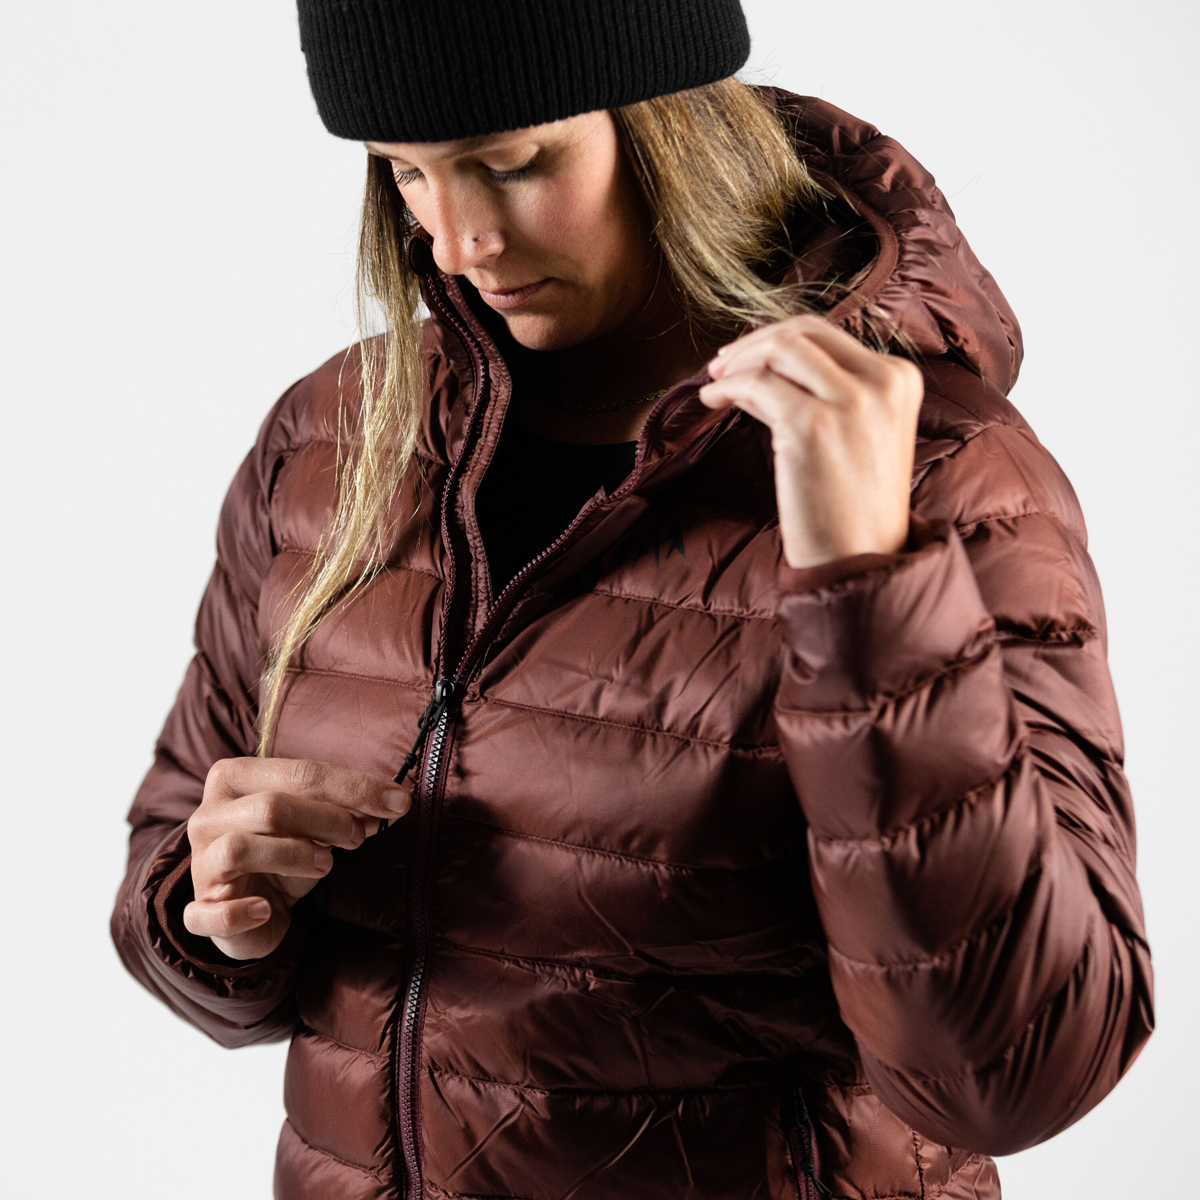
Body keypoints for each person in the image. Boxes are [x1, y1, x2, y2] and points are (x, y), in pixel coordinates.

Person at [111, 3, 1154, 1197]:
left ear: (668, 127)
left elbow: (1017, 1074)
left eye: (513, 162)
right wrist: (215, 912)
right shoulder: (335, 440)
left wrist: (868, 583)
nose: (455, 243)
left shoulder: (940, 475)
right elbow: (177, 859)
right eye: (406, 173)